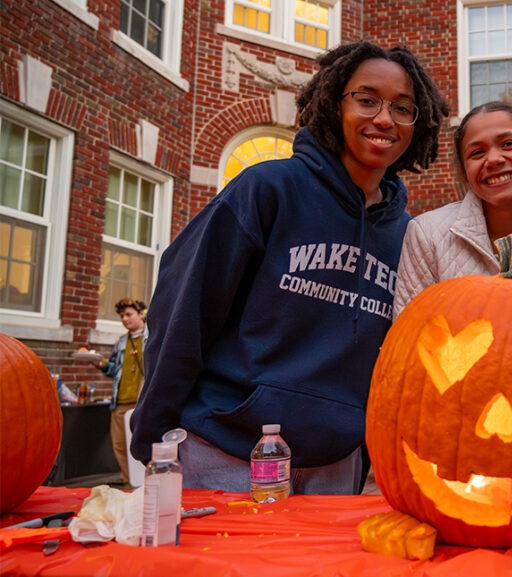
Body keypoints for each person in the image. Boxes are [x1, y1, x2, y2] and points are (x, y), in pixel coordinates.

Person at [130, 41, 450, 495]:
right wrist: (153, 438)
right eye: (367, 100)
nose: (384, 119)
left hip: (334, 468)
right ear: (335, 103)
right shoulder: (268, 189)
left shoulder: (408, 234)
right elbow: (184, 312)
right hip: (225, 453)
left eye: (403, 107)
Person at [393, 100, 512, 316]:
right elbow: (410, 332)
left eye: (509, 144)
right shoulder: (427, 235)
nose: (493, 160)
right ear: (464, 171)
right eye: (477, 153)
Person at [92, 297, 148, 487]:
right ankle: (128, 484)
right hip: (120, 402)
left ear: (141, 314)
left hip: (141, 403)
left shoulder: (151, 338)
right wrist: (100, 363)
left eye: (129, 314)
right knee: (119, 446)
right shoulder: (121, 342)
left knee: (141, 447)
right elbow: (113, 370)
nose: (125, 319)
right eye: (122, 316)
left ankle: (144, 486)